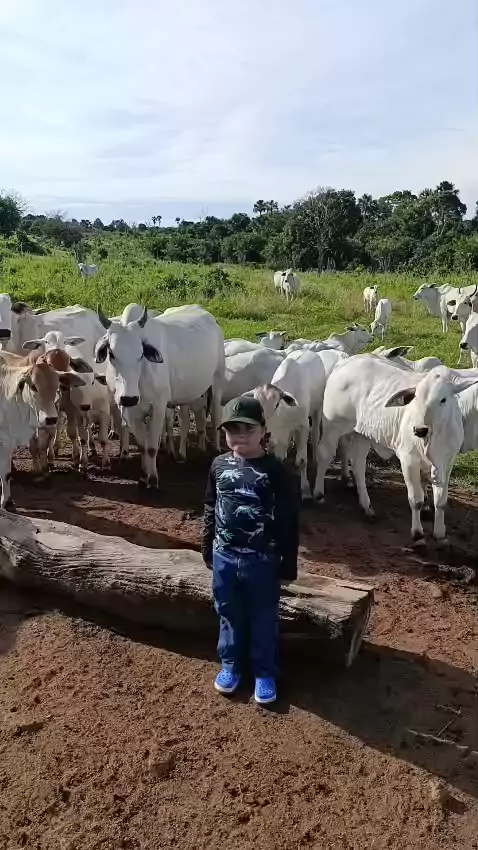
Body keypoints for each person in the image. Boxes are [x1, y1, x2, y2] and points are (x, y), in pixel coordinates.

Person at [201, 395, 299, 705]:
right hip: (224, 557)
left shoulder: (275, 471)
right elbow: (210, 505)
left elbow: (288, 518)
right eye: (233, 429)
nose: (240, 436)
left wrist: (288, 562)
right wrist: (207, 544)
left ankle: (264, 671)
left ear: (263, 430)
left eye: (248, 429)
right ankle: (230, 664)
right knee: (228, 612)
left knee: (263, 616)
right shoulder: (218, 465)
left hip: (262, 560)